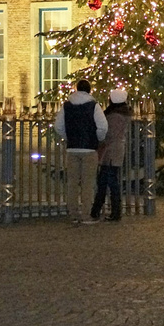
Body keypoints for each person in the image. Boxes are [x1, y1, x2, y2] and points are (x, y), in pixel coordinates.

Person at [53, 77, 107, 224]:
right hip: (89, 148)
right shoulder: (93, 106)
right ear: (89, 90)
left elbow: (58, 126)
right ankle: (86, 214)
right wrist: (97, 138)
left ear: (76, 89)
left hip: (72, 148)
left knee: (72, 182)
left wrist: (68, 136)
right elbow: (103, 126)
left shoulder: (67, 106)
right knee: (88, 183)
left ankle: (73, 213)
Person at [92, 88, 132, 222]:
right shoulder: (122, 113)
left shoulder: (114, 116)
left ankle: (114, 212)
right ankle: (96, 210)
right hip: (114, 150)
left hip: (110, 152)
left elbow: (108, 135)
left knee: (110, 182)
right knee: (104, 181)